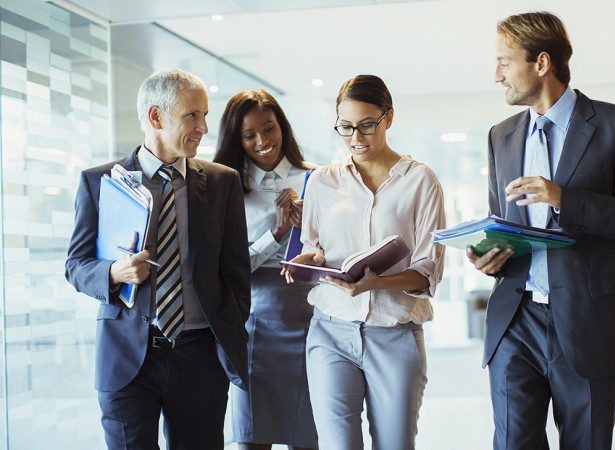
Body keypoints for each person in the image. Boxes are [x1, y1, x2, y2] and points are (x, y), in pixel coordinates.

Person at [468, 12, 615, 450]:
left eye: (504, 61)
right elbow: (502, 219)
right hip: (515, 319)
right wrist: (489, 256)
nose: (495, 75)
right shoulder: (500, 136)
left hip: (588, 320)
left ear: (541, 63)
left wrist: (564, 198)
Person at [65, 69, 251, 449]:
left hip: (200, 360)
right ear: (155, 117)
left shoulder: (221, 182)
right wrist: (113, 273)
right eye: (192, 115)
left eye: (205, 115)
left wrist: (226, 328)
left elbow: (236, 274)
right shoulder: (100, 182)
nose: (203, 126)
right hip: (126, 360)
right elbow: (76, 265)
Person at [283, 74, 446, 450]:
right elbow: (315, 246)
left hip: (395, 335)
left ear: (388, 118)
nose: (356, 137)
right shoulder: (323, 181)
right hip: (330, 332)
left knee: (395, 445)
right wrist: (309, 260)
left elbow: (427, 274)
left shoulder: (421, 182)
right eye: (345, 127)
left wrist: (376, 283)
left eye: (367, 125)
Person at [214, 89, 318, 450]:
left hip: (311, 319)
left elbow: (337, 253)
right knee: (251, 438)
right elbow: (227, 268)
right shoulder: (226, 187)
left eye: (269, 128)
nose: (262, 141)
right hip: (254, 321)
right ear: (236, 139)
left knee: (310, 437)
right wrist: (277, 232)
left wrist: (314, 235)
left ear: (283, 128)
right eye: (249, 135)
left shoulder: (317, 180)